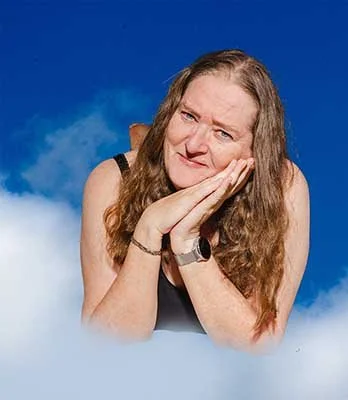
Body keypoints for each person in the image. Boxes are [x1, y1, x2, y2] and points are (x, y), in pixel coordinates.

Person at [80, 49, 310, 353]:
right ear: (169, 112)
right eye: (188, 116)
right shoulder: (114, 181)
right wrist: (149, 228)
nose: (193, 145)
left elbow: (259, 348)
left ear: (255, 153)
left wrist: (187, 240)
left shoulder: (282, 187)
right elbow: (99, 346)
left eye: (223, 134)